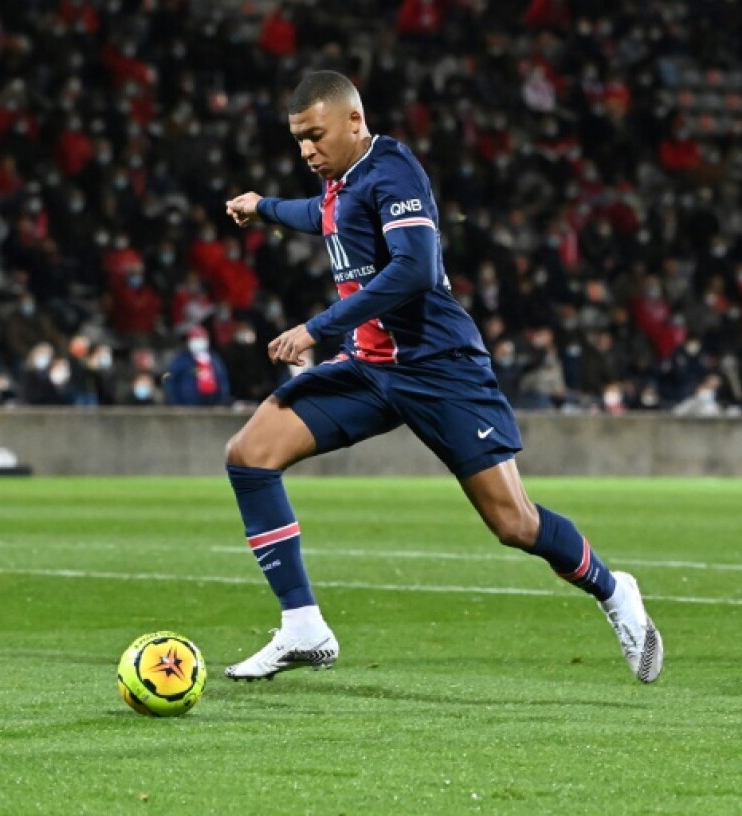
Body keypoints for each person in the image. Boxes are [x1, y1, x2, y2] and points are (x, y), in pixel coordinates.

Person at [221, 71, 662, 683]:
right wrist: (262, 208)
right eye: (298, 140)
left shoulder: (391, 170)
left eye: (315, 136)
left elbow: (416, 269)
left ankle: (616, 592)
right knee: (249, 455)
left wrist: (318, 327)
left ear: (355, 121)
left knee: (514, 523)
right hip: (370, 368)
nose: (306, 151)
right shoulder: (340, 184)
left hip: (439, 366)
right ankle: (303, 625)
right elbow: (319, 216)